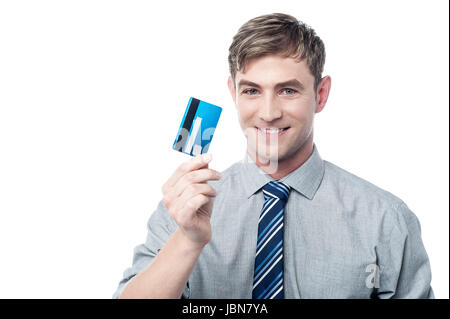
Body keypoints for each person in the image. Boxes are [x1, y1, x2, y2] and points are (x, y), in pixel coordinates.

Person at [113, 13, 434, 299]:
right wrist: (188, 240)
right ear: (233, 93)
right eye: (252, 90)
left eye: (288, 90)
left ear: (320, 95)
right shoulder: (183, 209)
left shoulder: (384, 217)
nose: (268, 113)